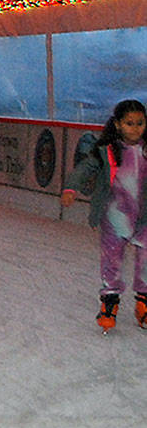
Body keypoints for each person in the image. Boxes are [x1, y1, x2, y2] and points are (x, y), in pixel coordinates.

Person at [61, 99, 147, 333]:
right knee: (112, 260)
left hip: (144, 216)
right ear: (118, 125)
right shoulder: (106, 150)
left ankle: (144, 302)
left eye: (140, 123)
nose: (136, 128)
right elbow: (84, 168)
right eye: (129, 123)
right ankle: (110, 302)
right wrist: (71, 188)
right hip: (114, 216)